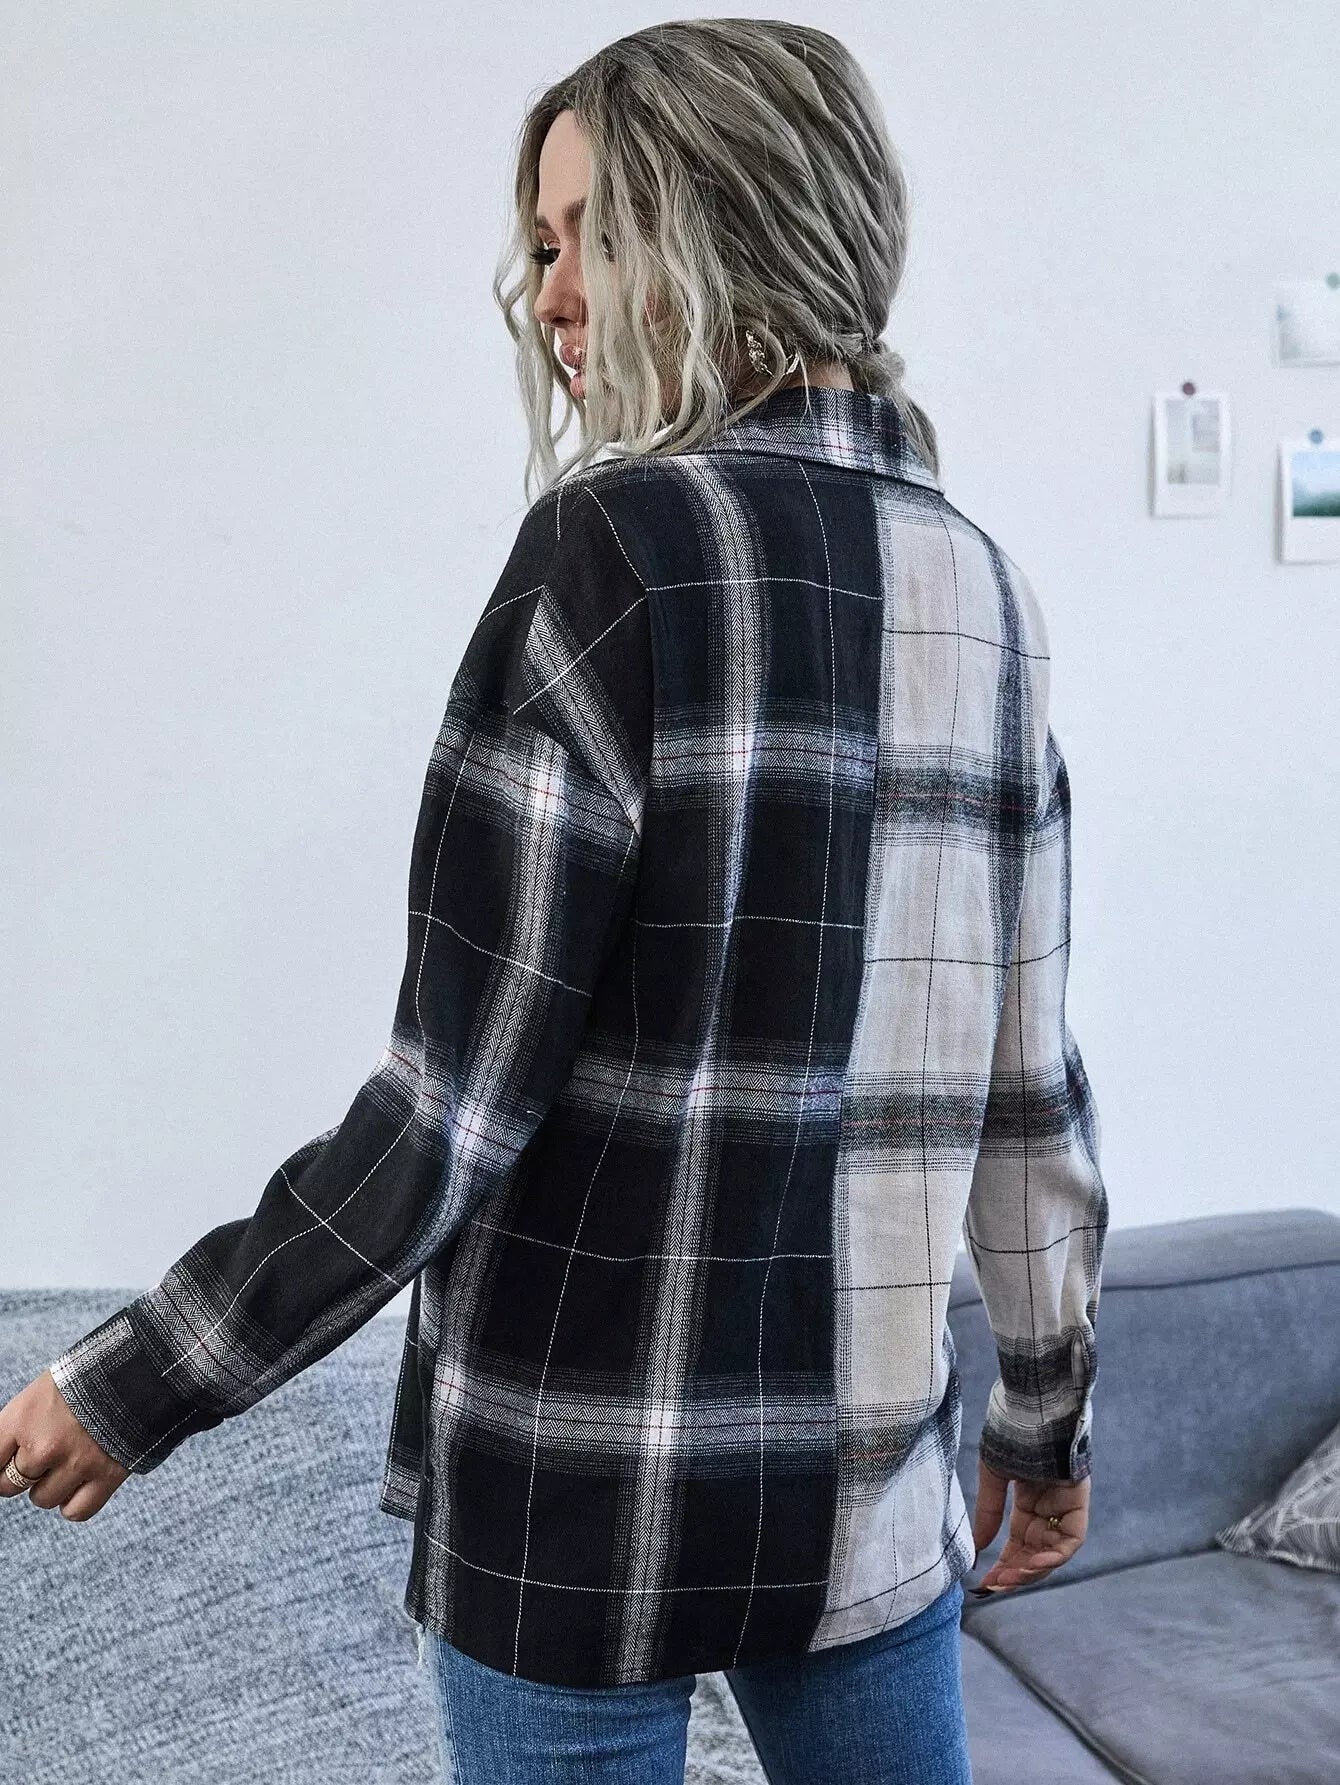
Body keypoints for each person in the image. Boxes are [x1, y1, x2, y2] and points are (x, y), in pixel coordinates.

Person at [1, 19, 1108, 1784]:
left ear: (730, 217)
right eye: (541, 245)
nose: (553, 298)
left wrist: (138, 1379)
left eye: (591, 234)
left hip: (574, 1501)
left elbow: (448, 1108)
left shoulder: (614, 554)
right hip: (869, 1497)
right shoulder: (990, 596)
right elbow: (1027, 1095)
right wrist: (1046, 1427)